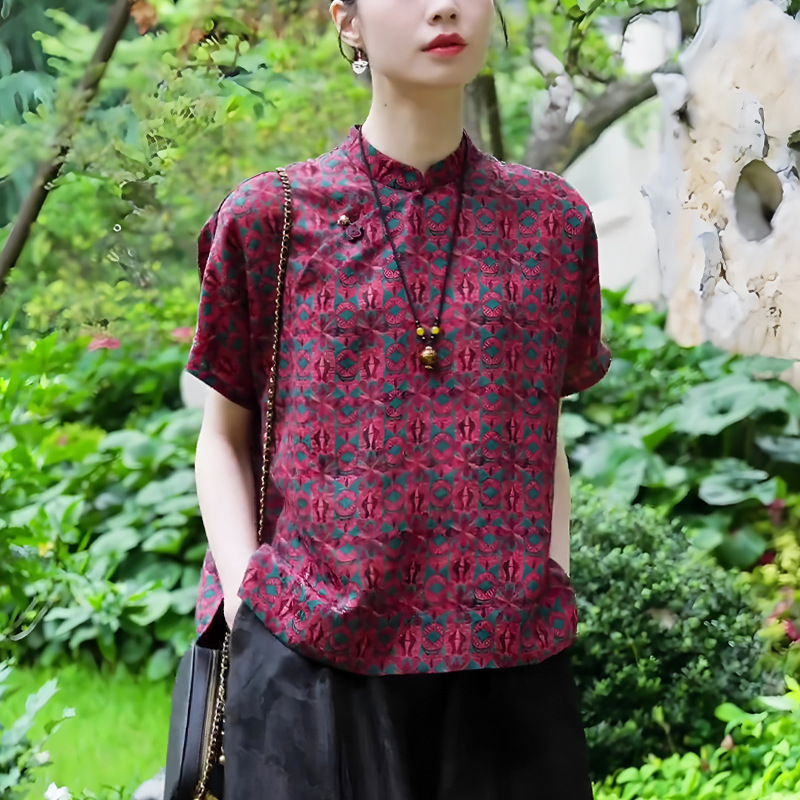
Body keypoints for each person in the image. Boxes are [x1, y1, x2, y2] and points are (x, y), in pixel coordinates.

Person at [186, 0, 611, 798]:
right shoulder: (271, 219)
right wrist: (249, 603)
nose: (443, 6)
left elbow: (539, 425)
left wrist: (548, 574)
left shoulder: (551, 223)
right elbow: (224, 437)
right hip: (311, 660)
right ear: (347, 21)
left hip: (506, 661)